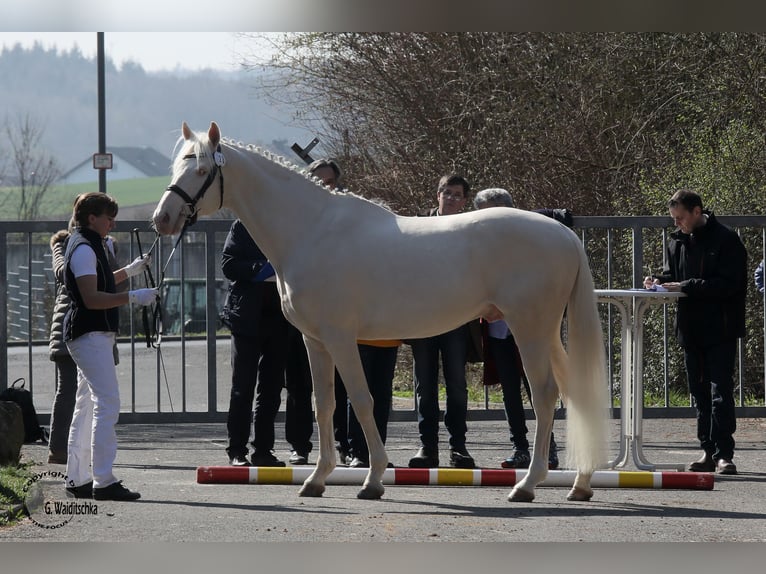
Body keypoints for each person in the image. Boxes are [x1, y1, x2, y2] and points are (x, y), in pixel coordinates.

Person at [644, 189, 747, 475]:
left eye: (680, 218)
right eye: (674, 219)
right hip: (690, 328)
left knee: (720, 392)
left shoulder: (726, 240)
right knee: (699, 393)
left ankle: (724, 453)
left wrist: (687, 285)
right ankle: (707, 450)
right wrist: (657, 280)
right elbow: (672, 276)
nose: (677, 224)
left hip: (720, 327)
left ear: (697, 212)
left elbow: (729, 284)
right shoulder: (676, 241)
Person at [62, 192, 156, 501]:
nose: (112, 222)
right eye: (108, 217)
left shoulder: (90, 243)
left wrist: (130, 271)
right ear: (92, 218)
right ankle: (103, 480)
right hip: (89, 334)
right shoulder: (84, 249)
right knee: (108, 403)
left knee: (87, 405)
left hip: (91, 334)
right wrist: (132, 297)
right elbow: (91, 297)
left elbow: (101, 281)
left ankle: (78, 478)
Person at [472, 187, 564, 470]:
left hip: (531, 329)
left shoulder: (530, 241)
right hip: (498, 330)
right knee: (510, 390)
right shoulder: (479, 246)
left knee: (539, 387)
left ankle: (547, 448)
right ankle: (520, 446)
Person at [408, 174, 476, 469]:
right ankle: (427, 446)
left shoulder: (471, 229)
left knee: (457, 384)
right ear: (437, 195)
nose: (450, 198)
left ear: (464, 201)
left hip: (457, 318)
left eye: (456, 194)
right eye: (445, 192)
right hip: (422, 317)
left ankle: (458, 446)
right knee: (425, 384)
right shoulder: (416, 224)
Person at [47, 223, 122, 465]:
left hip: (93, 326)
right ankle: (59, 450)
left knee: (88, 396)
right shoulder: (73, 246)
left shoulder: (101, 245)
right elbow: (63, 273)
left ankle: (77, 452)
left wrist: (118, 260)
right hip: (73, 325)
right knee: (69, 390)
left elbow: (112, 281)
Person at [221, 219, 289, 467]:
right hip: (247, 315)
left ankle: (263, 449)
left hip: (282, 316)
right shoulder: (244, 225)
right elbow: (229, 265)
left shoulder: (288, 224)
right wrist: (263, 269)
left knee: (271, 389)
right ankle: (236, 450)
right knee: (243, 386)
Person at [304, 158, 352, 464]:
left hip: (346, 313)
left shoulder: (347, 218)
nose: (324, 188)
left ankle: (349, 448)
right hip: (309, 315)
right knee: (311, 388)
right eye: (318, 182)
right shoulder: (296, 222)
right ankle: (312, 449)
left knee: (348, 389)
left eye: (329, 182)